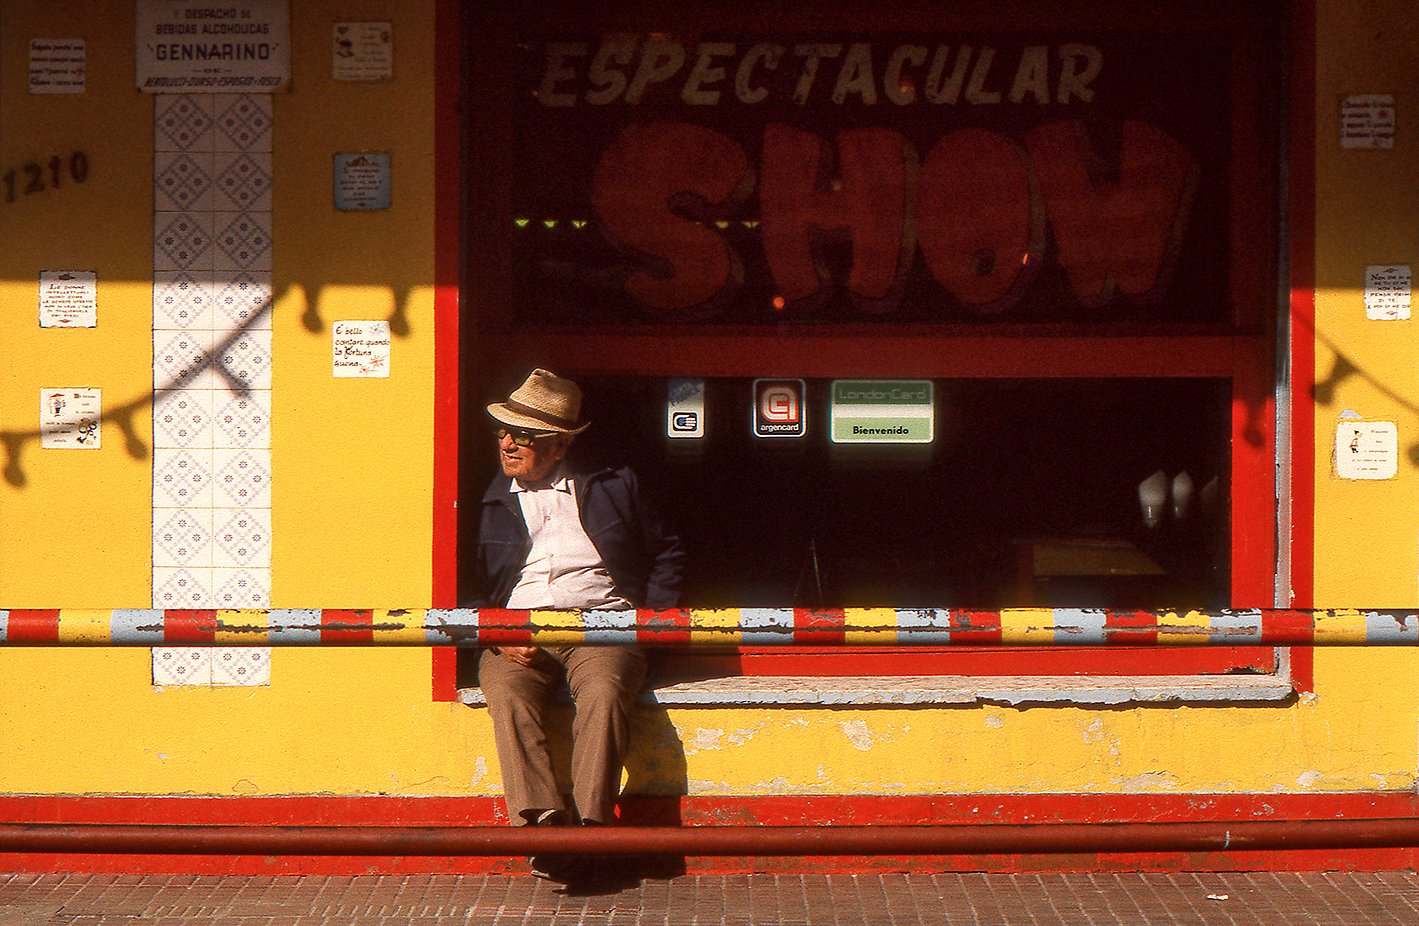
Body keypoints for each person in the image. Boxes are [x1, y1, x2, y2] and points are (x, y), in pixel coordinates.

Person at [470, 368, 684, 882]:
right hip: (518, 631)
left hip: (602, 626)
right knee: (505, 694)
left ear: (560, 446)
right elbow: (463, 580)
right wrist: (496, 631)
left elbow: (667, 552)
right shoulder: (487, 500)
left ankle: (591, 828)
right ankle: (544, 827)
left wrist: (647, 625)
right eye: (504, 432)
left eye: (524, 435)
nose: (508, 443)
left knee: (606, 693)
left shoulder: (614, 486)